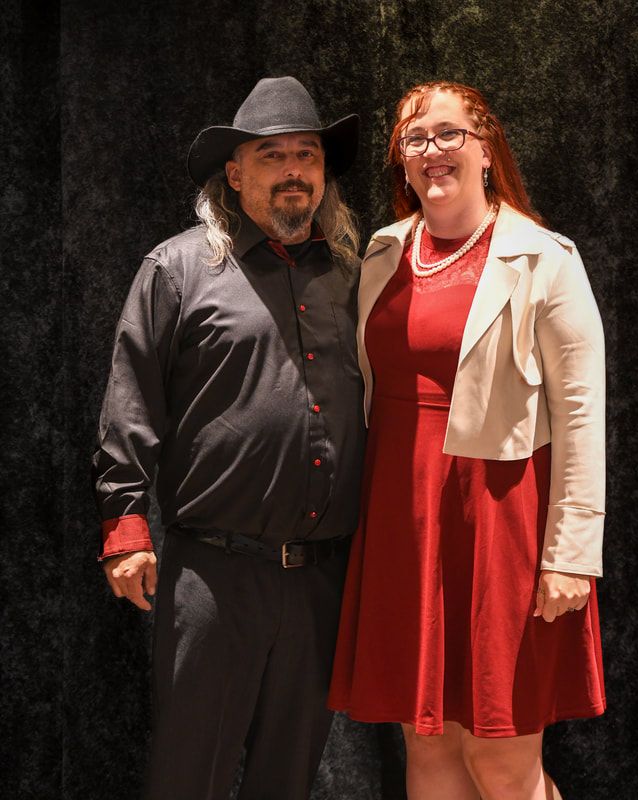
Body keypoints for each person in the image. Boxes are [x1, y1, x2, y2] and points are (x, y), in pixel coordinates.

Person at [328, 81, 606, 800]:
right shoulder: (384, 255)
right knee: (428, 755)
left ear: (485, 150)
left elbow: (580, 414)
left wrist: (569, 555)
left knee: (501, 763)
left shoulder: (543, 258)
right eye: (414, 140)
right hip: (402, 524)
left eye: (448, 134)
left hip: (499, 527)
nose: (430, 152)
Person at [92, 76, 365, 800]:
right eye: (271, 155)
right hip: (213, 575)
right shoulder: (179, 269)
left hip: (319, 578)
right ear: (235, 174)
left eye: (306, 154)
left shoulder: (351, 276)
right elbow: (130, 399)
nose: (293, 170)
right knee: (190, 777)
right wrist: (125, 524)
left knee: (289, 775)